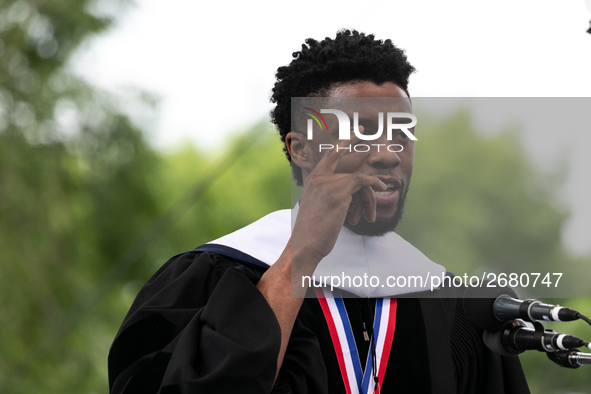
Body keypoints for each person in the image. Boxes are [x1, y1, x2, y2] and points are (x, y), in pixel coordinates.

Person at [108, 30, 530, 393]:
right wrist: (301, 256)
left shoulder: (448, 302)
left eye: (402, 135)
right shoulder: (213, 275)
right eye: (363, 131)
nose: (387, 154)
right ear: (301, 148)